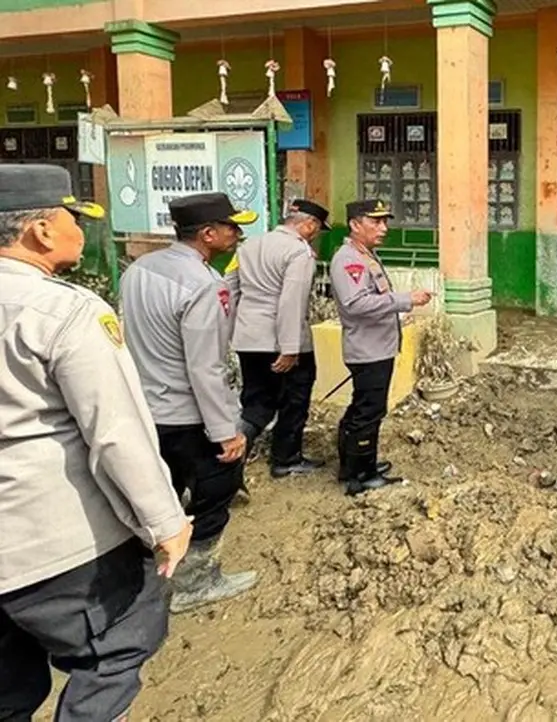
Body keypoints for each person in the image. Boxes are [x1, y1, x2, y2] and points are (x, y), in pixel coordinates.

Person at [0, 165, 193, 721]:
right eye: (74, 218)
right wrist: (165, 522)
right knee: (116, 649)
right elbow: (116, 433)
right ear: (40, 230)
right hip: (54, 544)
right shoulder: (65, 311)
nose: (81, 230)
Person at [120, 192, 261, 613]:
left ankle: (144, 583)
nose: (238, 235)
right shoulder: (203, 285)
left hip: (148, 410)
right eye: (232, 227)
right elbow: (205, 367)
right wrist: (226, 432)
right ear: (208, 234)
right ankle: (197, 582)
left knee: (160, 496)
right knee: (215, 493)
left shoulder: (139, 271)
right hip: (189, 415)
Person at [330, 199, 433, 496]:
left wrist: (398, 310)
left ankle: (355, 465)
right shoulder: (349, 260)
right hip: (368, 349)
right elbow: (356, 304)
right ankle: (361, 476)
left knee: (364, 408)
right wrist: (405, 300)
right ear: (355, 224)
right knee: (369, 412)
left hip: (376, 346)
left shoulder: (365, 255)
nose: (383, 228)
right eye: (375, 222)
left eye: (385, 221)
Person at [226, 199, 329, 478]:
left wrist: (235, 332)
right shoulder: (299, 252)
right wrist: (290, 348)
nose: (316, 235)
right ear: (310, 224)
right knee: (295, 399)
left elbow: (230, 290)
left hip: (249, 338)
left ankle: (229, 459)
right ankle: (286, 458)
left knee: (256, 402)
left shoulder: (248, 246)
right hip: (281, 340)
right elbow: (292, 301)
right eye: (318, 229)